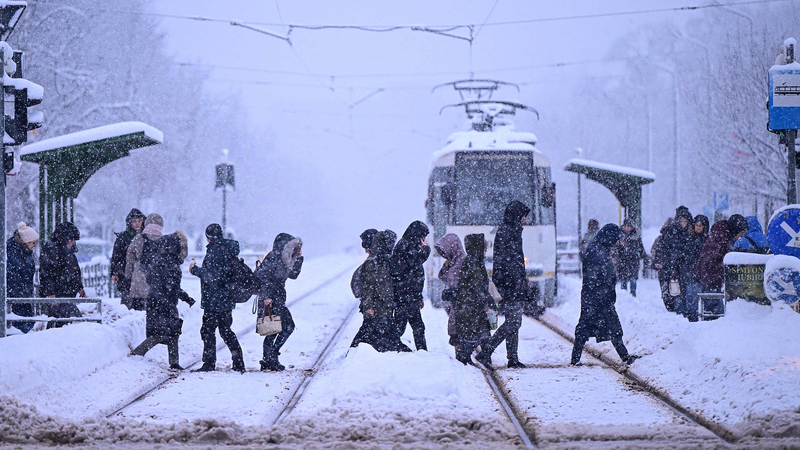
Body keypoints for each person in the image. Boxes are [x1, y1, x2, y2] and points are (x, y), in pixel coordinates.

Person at [571, 224, 640, 366]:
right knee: (609, 327)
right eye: (614, 239)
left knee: (589, 327)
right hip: (598, 297)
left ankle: (576, 357)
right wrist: (605, 290)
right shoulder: (597, 251)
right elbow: (600, 275)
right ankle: (624, 357)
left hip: (595, 296)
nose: (615, 243)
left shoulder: (597, 248)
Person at [476, 200, 531, 370]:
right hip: (510, 285)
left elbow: (512, 261)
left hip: (510, 283)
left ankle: (512, 358)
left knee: (513, 321)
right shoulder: (510, 231)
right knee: (514, 322)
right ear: (517, 215)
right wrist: (518, 281)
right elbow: (510, 262)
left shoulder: (509, 230)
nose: (524, 220)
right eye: (523, 216)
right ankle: (486, 352)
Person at [131, 232, 195, 370]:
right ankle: (137, 354)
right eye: (182, 248)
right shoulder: (170, 264)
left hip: (157, 300)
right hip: (164, 302)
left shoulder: (159, 259)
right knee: (162, 333)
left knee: (171, 332)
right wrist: (185, 297)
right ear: (176, 247)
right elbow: (173, 287)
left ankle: (174, 362)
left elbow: (150, 279)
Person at [190, 224, 246, 373]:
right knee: (226, 330)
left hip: (214, 300)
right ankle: (239, 362)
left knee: (207, 331)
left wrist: (195, 270)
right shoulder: (227, 249)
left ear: (207, 237)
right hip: (226, 298)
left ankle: (209, 363)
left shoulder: (215, 251)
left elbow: (212, 276)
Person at [255, 232, 304, 371]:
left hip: (278, 298)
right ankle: (269, 358)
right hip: (270, 298)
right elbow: (264, 277)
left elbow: (294, 275)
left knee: (279, 328)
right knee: (275, 329)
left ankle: (269, 358)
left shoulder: (285, 259)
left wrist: (298, 258)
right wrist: (265, 296)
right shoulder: (273, 257)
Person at [361, 230, 410, 352]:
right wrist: (368, 307)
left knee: (374, 337)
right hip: (379, 307)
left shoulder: (383, 261)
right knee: (375, 337)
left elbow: (372, 286)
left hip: (384, 307)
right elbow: (369, 287)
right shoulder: (378, 262)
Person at [453, 234, 494, 365]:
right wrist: (487, 297)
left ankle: (483, 357)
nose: (486, 251)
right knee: (475, 333)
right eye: (484, 248)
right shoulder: (473, 262)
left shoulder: (474, 260)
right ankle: (464, 357)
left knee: (482, 332)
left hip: (472, 303)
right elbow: (476, 285)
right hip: (470, 304)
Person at [391, 221, 431, 351]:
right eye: (423, 237)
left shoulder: (407, 245)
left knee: (413, 326)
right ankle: (394, 348)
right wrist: (426, 249)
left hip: (409, 295)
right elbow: (414, 263)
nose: (424, 240)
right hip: (405, 295)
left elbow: (414, 275)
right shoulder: (405, 246)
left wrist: (418, 296)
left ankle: (421, 351)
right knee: (404, 326)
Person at [40, 222, 85, 328]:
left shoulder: (64, 250)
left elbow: (74, 270)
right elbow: (47, 273)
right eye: (72, 240)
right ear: (65, 238)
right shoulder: (53, 250)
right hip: (59, 293)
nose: (73, 243)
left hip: (64, 292)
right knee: (66, 318)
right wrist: (51, 293)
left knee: (60, 320)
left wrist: (79, 286)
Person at [695, 214, 749, 294]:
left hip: (711, 280)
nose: (743, 235)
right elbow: (712, 260)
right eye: (742, 232)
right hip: (712, 281)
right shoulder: (721, 237)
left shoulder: (722, 235)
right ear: (736, 229)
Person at [658, 206, 694, 314]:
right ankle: (678, 311)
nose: (683, 223)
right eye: (681, 220)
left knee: (684, 290)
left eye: (685, 220)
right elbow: (664, 249)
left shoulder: (691, 233)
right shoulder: (671, 232)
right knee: (674, 290)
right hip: (673, 267)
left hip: (686, 267)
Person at [125, 213, 164, 312]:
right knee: (154, 312)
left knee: (137, 311)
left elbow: (130, 258)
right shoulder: (164, 240)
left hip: (139, 277)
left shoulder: (139, 238)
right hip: (156, 279)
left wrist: (128, 276)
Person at [434, 233, 466, 349]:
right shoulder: (453, 261)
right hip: (456, 303)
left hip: (463, 303)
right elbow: (443, 278)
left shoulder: (463, 261)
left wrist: (458, 291)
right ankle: (461, 357)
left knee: (460, 330)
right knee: (456, 331)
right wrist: (445, 266)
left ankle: (464, 358)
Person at [111, 208, 146, 310]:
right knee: (127, 304)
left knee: (142, 305)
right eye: (134, 221)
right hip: (126, 274)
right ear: (130, 222)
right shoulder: (123, 237)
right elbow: (116, 256)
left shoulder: (146, 236)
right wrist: (115, 272)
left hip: (142, 276)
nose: (137, 224)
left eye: (139, 221)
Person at [7, 222, 39, 333]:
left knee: (25, 323)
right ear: (26, 242)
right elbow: (13, 276)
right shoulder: (14, 254)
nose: (35, 245)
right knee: (22, 325)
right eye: (33, 243)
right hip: (18, 295)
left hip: (22, 294)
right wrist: (19, 293)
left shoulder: (24, 253)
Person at [351, 229, 379, 348]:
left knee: (366, 331)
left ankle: (354, 351)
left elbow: (366, 285)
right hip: (374, 303)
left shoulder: (373, 261)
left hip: (372, 303)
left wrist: (367, 304)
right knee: (369, 331)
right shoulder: (375, 260)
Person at [683, 215, 710, 322]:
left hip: (704, 274)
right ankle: (692, 321)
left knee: (705, 299)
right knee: (691, 299)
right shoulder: (689, 239)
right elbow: (685, 256)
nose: (698, 227)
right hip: (692, 273)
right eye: (697, 225)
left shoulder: (708, 240)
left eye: (701, 225)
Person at [612, 219, 647, 297]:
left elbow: (640, 248)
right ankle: (623, 293)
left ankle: (633, 292)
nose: (627, 228)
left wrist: (642, 255)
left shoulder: (636, 238)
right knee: (623, 278)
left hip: (633, 260)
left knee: (633, 278)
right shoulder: (619, 237)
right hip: (623, 260)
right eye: (625, 226)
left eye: (629, 226)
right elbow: (615, 248)